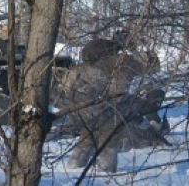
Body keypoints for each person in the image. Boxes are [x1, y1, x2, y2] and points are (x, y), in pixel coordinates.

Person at [56, 36, 166, 173]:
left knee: (88, 133)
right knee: (110, 134)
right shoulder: (122, 66)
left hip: (75, 108)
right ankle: (106, 171)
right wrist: (137, 118)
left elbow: (65, 88)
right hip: (96, 107)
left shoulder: (85, 67)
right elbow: (118, 96)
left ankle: (75, 164)